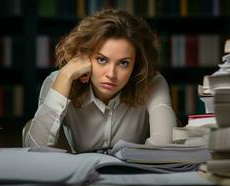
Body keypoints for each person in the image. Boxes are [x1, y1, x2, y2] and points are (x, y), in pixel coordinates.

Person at [24, 9, 177, 153]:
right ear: (85, 57)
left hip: (131, 178)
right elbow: (35, 149)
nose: (111, 74)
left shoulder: (152, 82)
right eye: (102, 60)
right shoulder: (60, 81)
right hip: (81, 178)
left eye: (123, 63)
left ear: (136, 65)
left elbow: (164, 145)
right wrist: (65, 76)